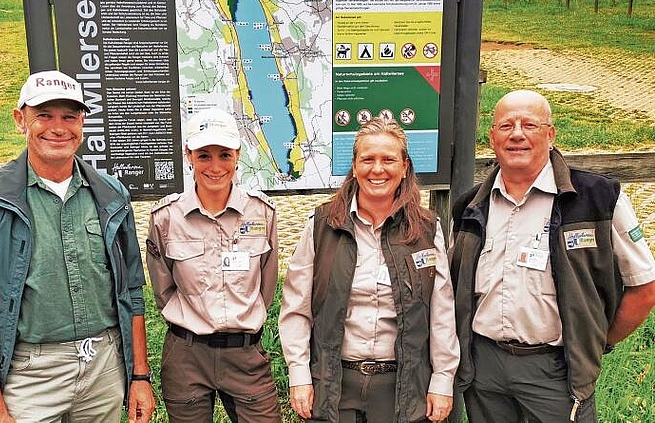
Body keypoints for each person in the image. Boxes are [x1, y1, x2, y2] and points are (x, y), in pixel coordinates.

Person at [0, 70, 156, 423]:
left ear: (82, 123)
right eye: (44, 115)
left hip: (104, 367)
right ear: (20, 120)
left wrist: (139, 376)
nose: (58, 128)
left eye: (69, 116)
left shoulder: (112, 195)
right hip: (29, 374)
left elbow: (131, 292)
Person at [449, 89, 655, 422]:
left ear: (550, 134)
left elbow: (645, 288)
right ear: (492, 137)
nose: (517, 134)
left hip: (556, 371)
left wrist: (593, 343)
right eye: (506, 126)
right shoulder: (471, 207)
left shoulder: (597, 199)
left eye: (529, 124)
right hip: (483, 369)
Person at [279, 116, 460, 422]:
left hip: (401, 384)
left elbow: (441, 311)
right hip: (335, 382)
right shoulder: (323, 226)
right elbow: (296, 308)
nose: (378, 169)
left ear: (404, 167)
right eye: (368, 159)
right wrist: (299, 374)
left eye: (388, 159)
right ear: (354, 166)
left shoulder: (428, 230)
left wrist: (442, 379)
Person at [146, 108, 281, 422]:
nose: (215, 166)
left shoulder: (262, 212)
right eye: (204, 155)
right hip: (187, 355)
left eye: (224, 154)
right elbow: (163, 289)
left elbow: (267, 286)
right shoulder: (165, 218)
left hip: (246, 355)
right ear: (188, 155)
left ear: (238, 154)